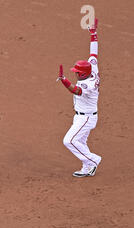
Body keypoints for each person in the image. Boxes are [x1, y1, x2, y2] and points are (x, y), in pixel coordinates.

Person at [57, 18, 102, 177]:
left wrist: (64, 80)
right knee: (80, 142)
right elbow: (93, 53)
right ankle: (87, 167)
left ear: (82, 73)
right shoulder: (93, 68)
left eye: (76, 72)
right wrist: (93, 34)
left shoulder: (88, 84)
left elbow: (75, 90)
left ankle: (93, 160)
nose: (75, 73)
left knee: (68, 141)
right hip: (81, 116)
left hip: (87, 118)